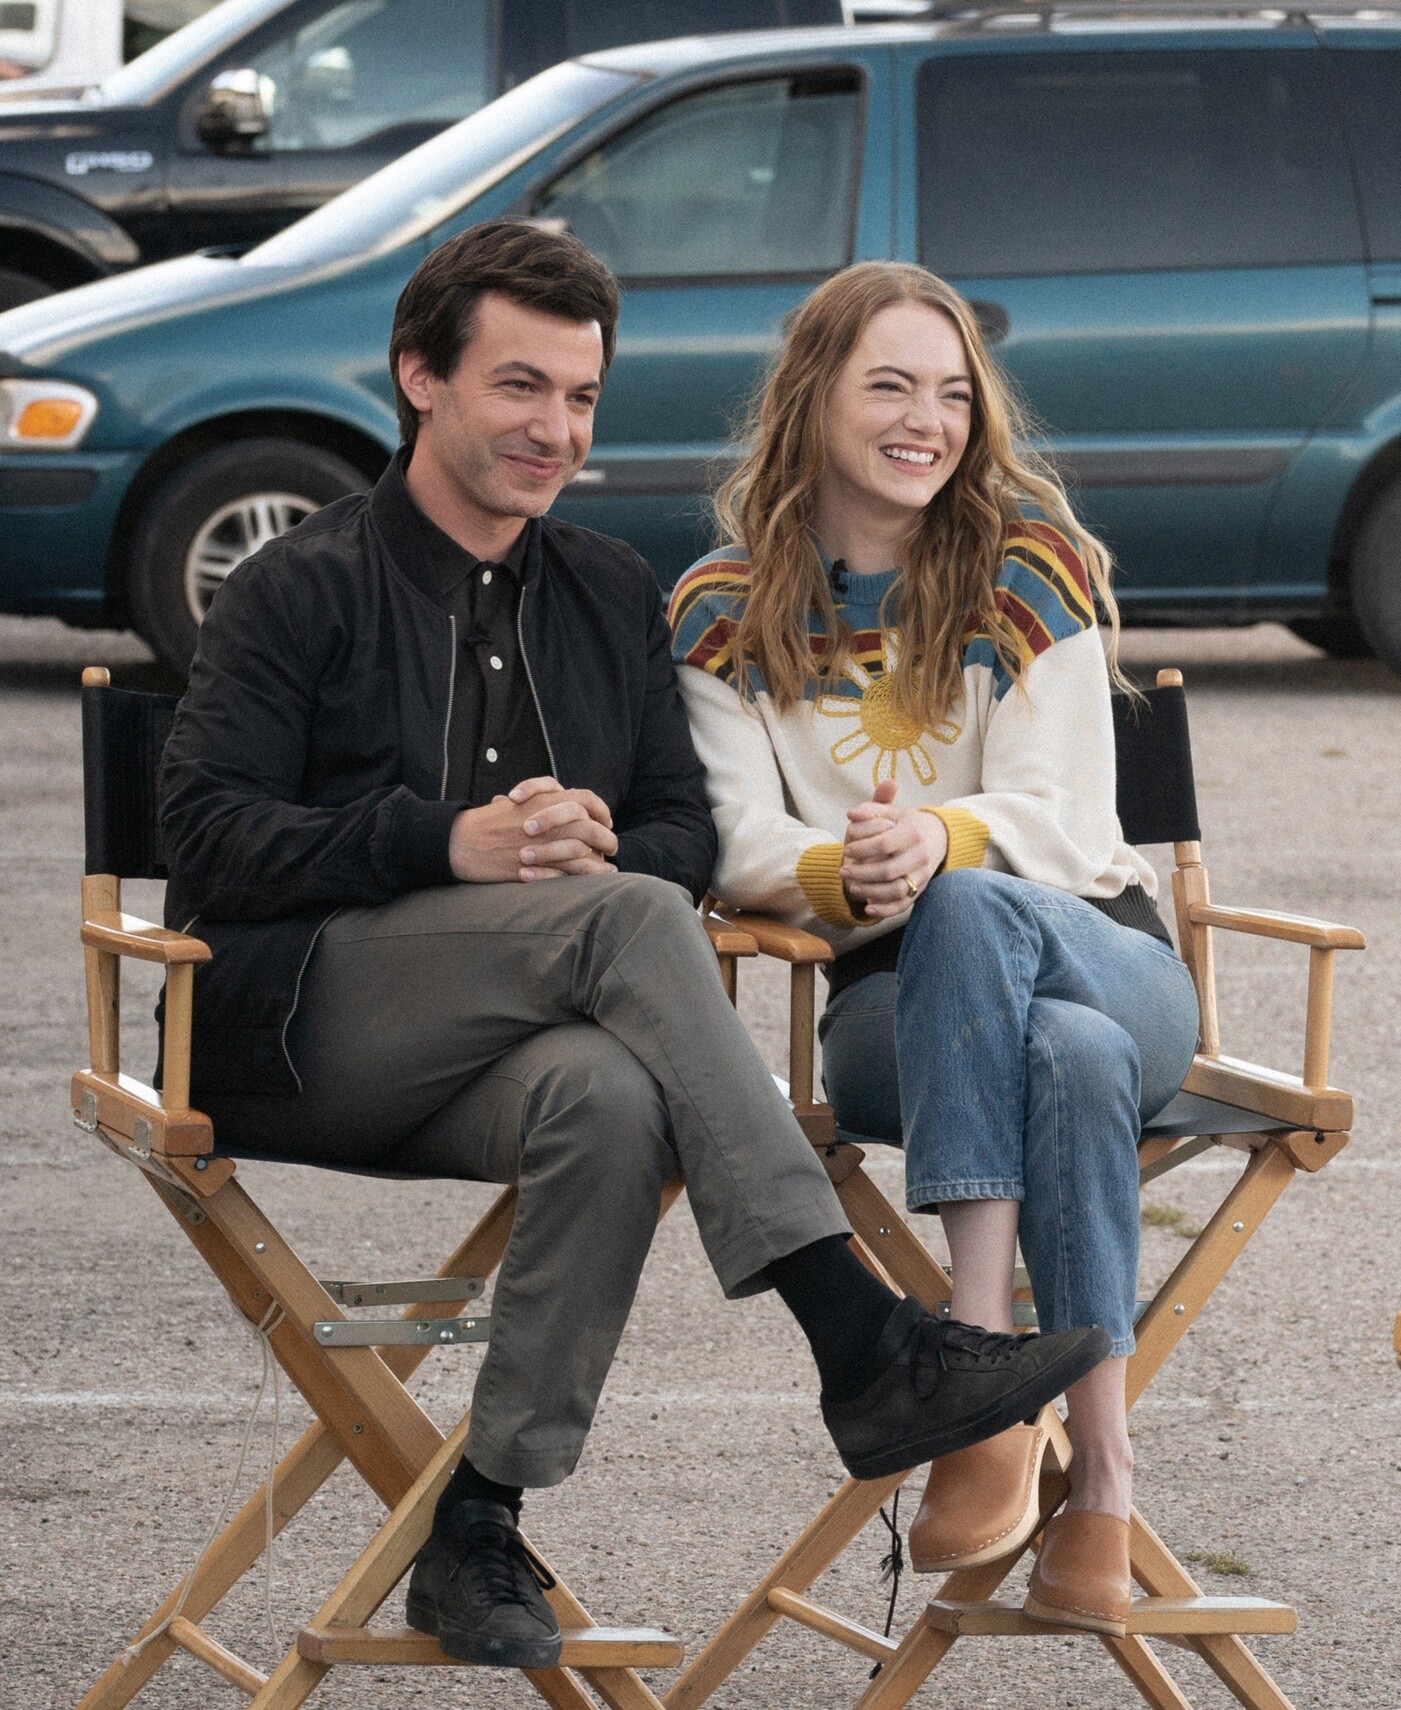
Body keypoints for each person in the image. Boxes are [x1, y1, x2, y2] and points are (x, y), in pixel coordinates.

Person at [157, 223, 1105, 1671]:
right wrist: (446, 841)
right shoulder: (300, 582)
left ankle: (478, 1518)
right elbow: (206, 835)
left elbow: (682, 839)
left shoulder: (606, 591)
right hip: (303, 1026)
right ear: (420, 376)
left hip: (523, 1043)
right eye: (518, 386)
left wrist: (595, 842)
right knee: (629, 927)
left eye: (581, 397)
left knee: (610, 1100)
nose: (555, 428)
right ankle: (858, 1331)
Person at [668, 261, 1196, 1637]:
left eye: (953, 394)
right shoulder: (724, 607)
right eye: (891, 386)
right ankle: (1103, 1483)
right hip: (889, 1004)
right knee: (1064, 1057)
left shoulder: (1028, 568)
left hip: (1098, 948)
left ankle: (976, 1373)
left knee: (976, 914)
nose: (928, 421)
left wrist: (932, 846)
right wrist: (844, 866)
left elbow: (1065, 825)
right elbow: (731, 834)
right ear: (812, 397)